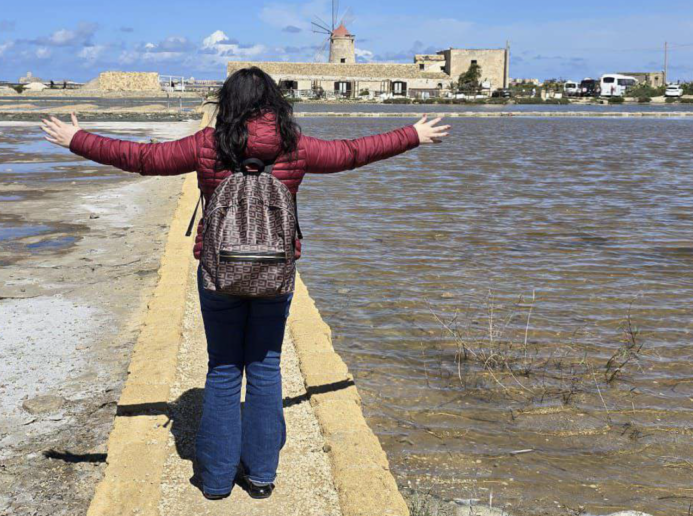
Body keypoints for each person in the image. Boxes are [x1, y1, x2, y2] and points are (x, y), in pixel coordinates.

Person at [40, 67, 449, 500]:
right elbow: (351, 153)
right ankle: (260, 477)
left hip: (219, 274)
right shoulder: (295, 146)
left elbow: (144, 159)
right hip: (275, 274)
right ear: (273, 103)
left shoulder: (206, 145)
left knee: (222, 369)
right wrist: (412, 135)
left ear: (227, 104)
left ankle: (216, 481)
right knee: (265, 368)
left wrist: (78, 140)